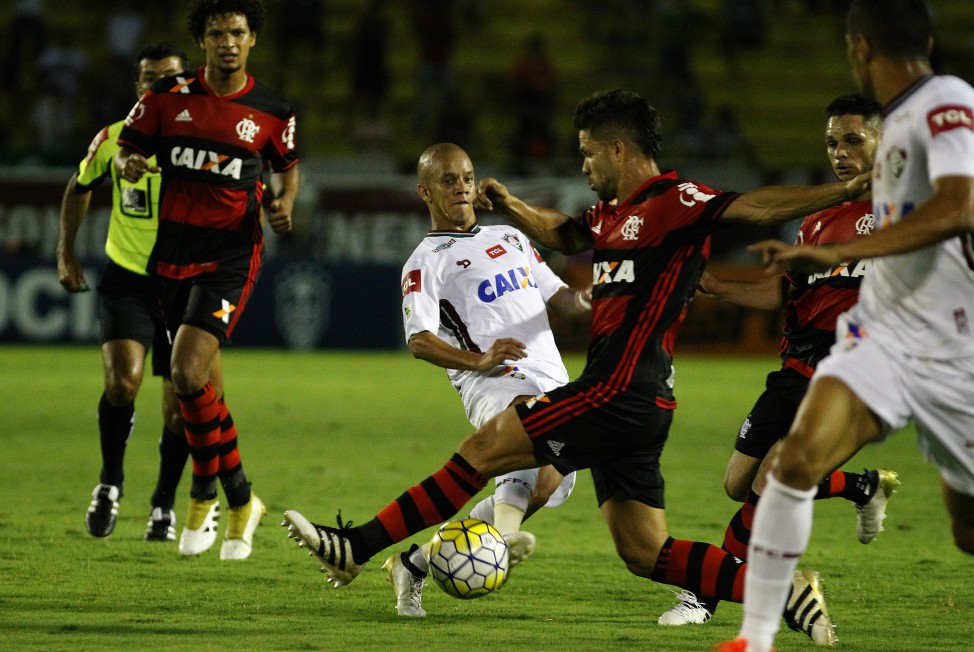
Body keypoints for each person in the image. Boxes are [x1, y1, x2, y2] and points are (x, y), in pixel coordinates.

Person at [282, 89, 867, 643]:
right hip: (640, 404)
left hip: (616, 389)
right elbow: (564, 233)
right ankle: (783, 590)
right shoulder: (608, 215)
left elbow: (756, 204)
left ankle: (356, 547)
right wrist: (511, 205)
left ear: (618, 149)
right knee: (644, 552)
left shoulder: (676, 202)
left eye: (588, 153)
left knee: (483, 452)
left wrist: (841, 193)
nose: (582, 165)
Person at [715, 2, 974, 651]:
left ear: (858, 47)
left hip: (951, 348)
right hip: (880, 340)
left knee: (967, 530)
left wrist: (837, 254)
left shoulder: (944, 100)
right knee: (789, 465)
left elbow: (960, 205)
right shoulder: (894, 136)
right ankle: (756, 638)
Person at [659, 94, 897, 629]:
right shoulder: (817, 219)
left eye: (853, 140)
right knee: (738, 484)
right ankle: (861, 486)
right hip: (796, 366)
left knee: (770, 483)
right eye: (832, 142)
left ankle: (703, 597)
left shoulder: (905, 218)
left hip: (848, 374)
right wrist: (714, 286)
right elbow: (783, 296)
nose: (839, 152)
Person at [115, 0, 300, 560]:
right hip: (171, 255)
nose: (227, 42)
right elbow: (129, 148)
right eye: (217, 33)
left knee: (184, 373)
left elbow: (286, 167)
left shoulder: (272, 111)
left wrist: (285, 203)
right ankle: (235, 495)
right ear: (202, 40)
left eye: (237, 33)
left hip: (231, 254)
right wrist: (128, 165)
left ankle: (208, 498)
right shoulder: (166, 99)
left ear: (252, 40)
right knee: (201, 387)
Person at [383, 142, 590, 617]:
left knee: (545, 482)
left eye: (468, 177)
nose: (461, 187)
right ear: (425, 191)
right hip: (493, 380)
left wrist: (607, 296)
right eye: (448, 180)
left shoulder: (513, 238)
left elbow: (564, 300)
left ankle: (413, 564)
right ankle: (508, 536)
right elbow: (419, 340)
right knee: (531, 426)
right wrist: (479, 362)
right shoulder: (425, 260)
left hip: (550, 377)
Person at [58, 42, 214, 543]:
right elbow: (79, 186)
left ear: (184, 82)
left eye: (168, 78)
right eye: (149, 78)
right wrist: (66, 252)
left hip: (186, 281)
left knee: (177, 405)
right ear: (139, 85)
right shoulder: (114, 139)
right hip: (129, 278)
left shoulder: (201, 141)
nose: (157, 86)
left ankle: (163, 506)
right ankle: (109, 482)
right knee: (122, 383)